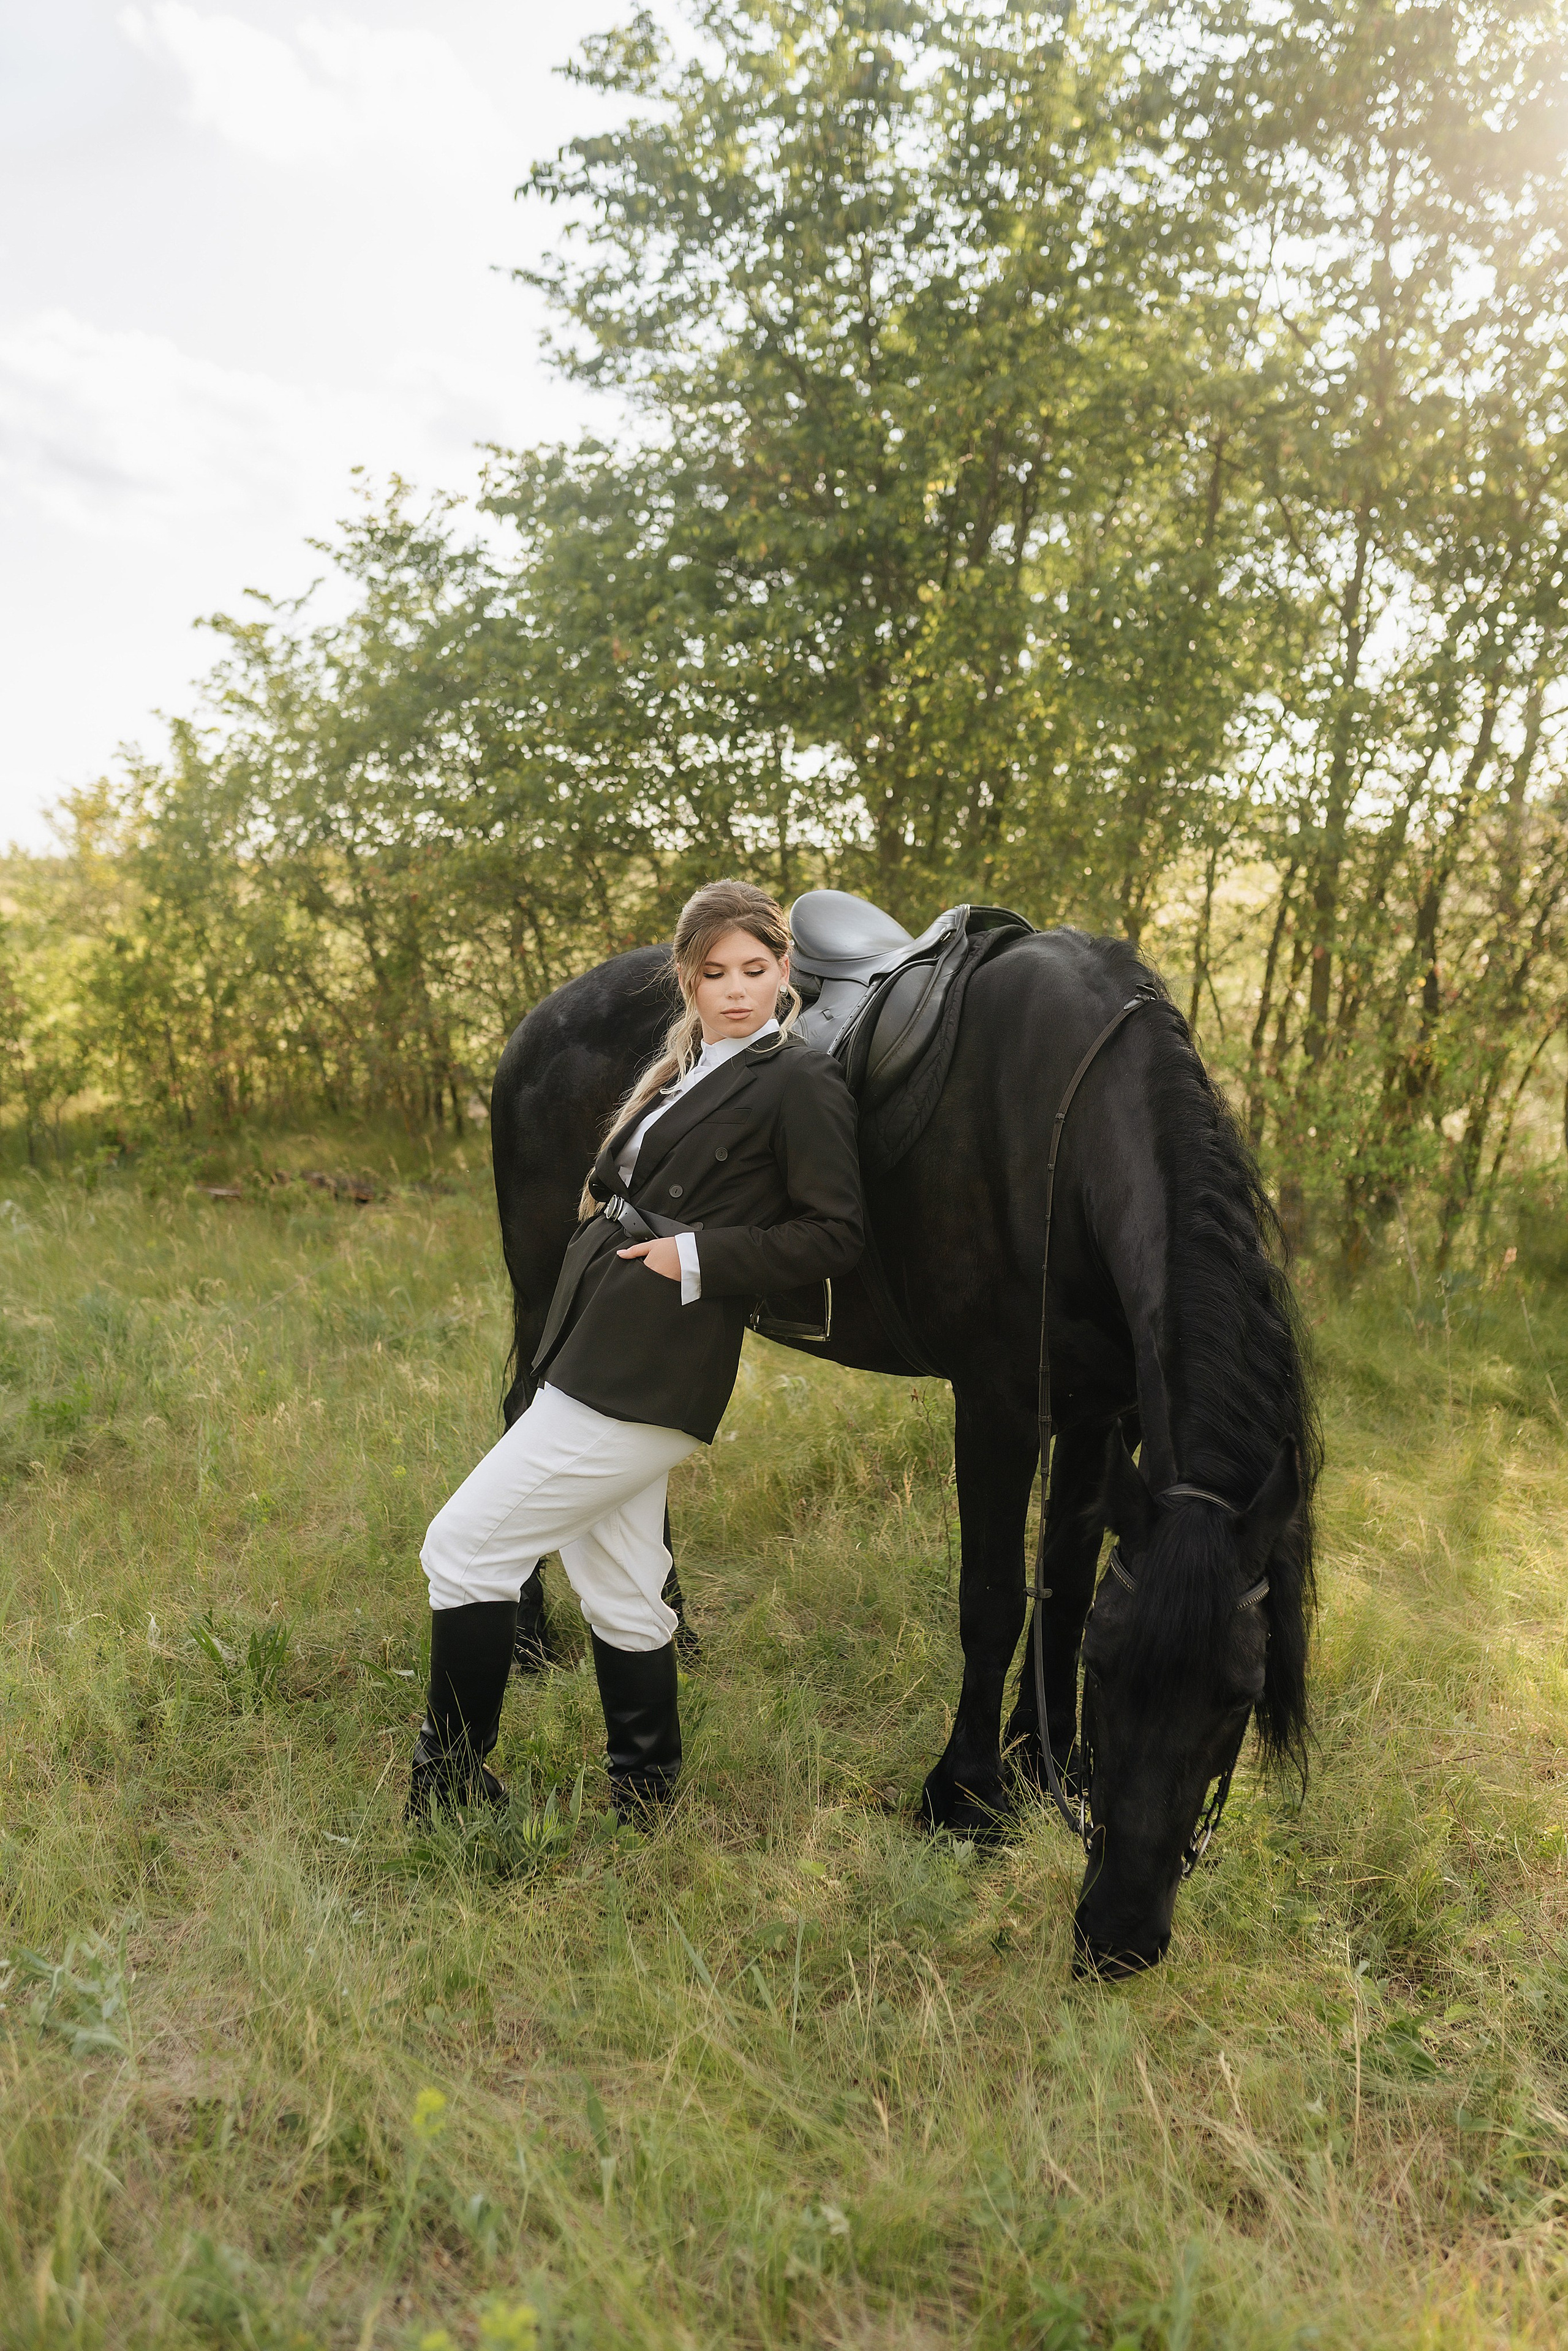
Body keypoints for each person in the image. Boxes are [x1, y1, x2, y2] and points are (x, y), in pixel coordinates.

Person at [407, 879, 865, 1821]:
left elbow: (837, 1234)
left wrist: (698, 1252)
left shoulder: (797, 1079)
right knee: (623, 1586)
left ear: (786, 970)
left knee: (461, 1550)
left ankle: (450, 1791)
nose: (736, 989)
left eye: (755, 968)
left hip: (652, 1365)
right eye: (714, 972)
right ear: (688, 983)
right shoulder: (691, 1067)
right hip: (593, 1339)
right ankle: (647, 1796)